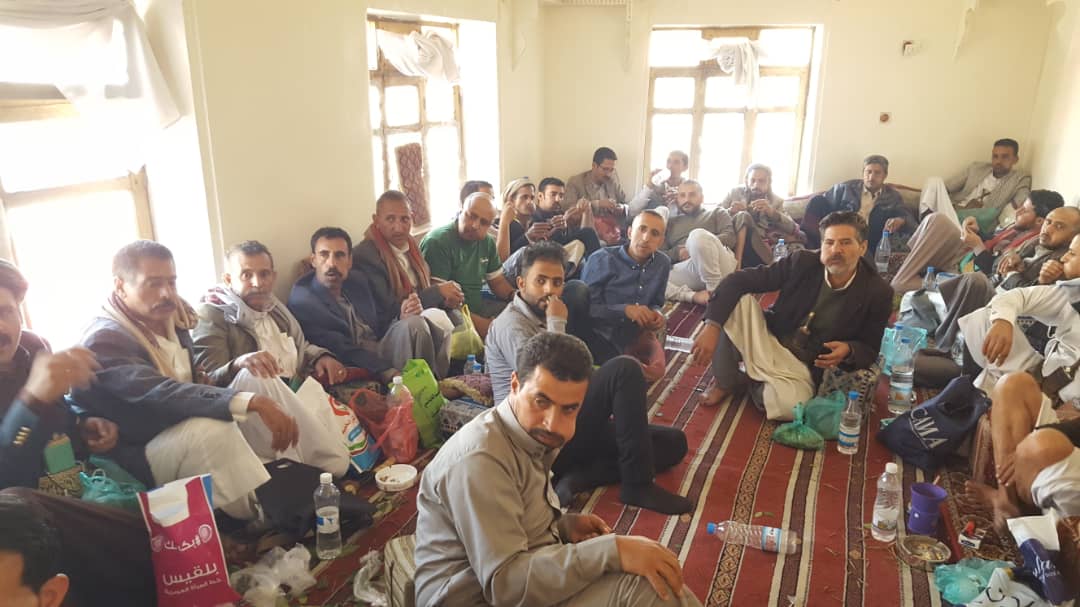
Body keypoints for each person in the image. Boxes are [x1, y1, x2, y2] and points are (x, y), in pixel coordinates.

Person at [414, 332, 703, 606]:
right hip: (476, 596)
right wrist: (612, 551)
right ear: (515, 385)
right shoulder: (481, 461)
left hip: (514, 574)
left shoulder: (526, 434)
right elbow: (505, 586)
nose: (553, 423)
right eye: (541, 401)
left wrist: (561, 526)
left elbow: (517, 516)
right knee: (643, 591)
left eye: (569, 409)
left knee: (651, 576)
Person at [71, 241, 315, 521]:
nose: (167, 294)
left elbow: (197, 383)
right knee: (209, 428)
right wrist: (253, 403)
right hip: (139, 453)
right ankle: (260, 514)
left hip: (177, 431)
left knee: (256, 376)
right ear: (120, 286)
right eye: (153, 284)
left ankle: (321, 469)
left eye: (171, 282)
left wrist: (235, 369)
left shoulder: (173, 319)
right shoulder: (105, 338)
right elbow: (161, 392)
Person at [484, 243, 691, 514]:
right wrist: (557, 324)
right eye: (540, 281)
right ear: (521, 283)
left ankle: (581, 477)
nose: (549, 290)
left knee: (673, 444)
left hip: (566, 425)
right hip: (537, 439)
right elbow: (548, 382)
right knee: (624, 370)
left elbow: (577, 372)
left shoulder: (545, 313)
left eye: (557, 282)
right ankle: (637, 485)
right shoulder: (512, 324)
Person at [0, 260, 156, 605]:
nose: (0, 326)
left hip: (77, 483)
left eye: (5, 312)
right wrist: (30, 402)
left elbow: (62, 408)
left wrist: (83, 423)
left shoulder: (34, 349)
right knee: (18, 499)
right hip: (22, 519)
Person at [691, 211, 892, 420]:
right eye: (829, 242)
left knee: (790, 408)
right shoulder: (803, 262)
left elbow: (870, 348)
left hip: (805, 366)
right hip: (772, 339)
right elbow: (737, 281)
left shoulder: (878, 292)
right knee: (736, 300)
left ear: (862, 247)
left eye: (845, 243)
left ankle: (751, 381)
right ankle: (726, 382)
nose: (836, 250)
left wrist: (849, 349)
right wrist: (712, 326)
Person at [955, 235, 1080, 528]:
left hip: (1071, 420)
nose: (1063, 257)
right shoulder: (1072, 295)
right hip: (1053, 393)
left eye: (1073, 254)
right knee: (1011, 384)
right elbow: (1013, 297)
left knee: (1041, 445)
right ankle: (1006, 498)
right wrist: (1003, 322)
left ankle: (1046, 524)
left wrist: (1039, 438)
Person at [290, 227, 453, 378]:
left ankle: (434, 383)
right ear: (313, 260)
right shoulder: (305, 300)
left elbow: (383, 316)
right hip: (357, 357)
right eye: (324, 255)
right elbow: (342, 349)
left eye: (339, 255)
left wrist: (401, 314)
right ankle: (424, 388)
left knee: (422, 321)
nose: (331, 263)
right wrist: (388, 372)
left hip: (380, 343)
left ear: (350, 261)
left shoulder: (357, 280)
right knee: (415, 325)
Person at [193, 240, 349, 386]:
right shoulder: (211, 315)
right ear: (228, 280)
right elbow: (207, 383)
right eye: (246, 275)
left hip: (296, 390)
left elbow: (299, 347)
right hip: (249, 402)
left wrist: (321, 357)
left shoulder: (274, 308)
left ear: (273, 277)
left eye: (264, 274)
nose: (257, 283)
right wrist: (238, 365)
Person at [932, 205, 1080, 351]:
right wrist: (1010, 256)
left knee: (975, 281)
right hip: (997, 290)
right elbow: (996, 266)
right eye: (1048, 222)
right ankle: (947, 334)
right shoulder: (1036, 241)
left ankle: (945, 344)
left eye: (1059, 226)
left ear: (1074, 237)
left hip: (1011, 311)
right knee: (954, 283)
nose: (1048, 228)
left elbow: (1030, 300)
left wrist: (1013, 275)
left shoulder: (1065, 263)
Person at [352, 190, 464, 376]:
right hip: (387, 330)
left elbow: (422, 287)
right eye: (390, 219)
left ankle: (442, 379)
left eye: (404, 219)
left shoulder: (411, 247)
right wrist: (436, 293)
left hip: (414, 314)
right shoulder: (366, 255)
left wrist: (447, 298)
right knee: (415, 325)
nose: (398, 227)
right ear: (376, 220)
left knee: (453, 315)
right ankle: (425, 384)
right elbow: (387, 309)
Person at [890, 190, 1064, 294]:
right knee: (937, 219)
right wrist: (978, 231)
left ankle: (904, 281)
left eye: (1024, 210)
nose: (1017, 212)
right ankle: (909, 267)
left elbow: (994, 272)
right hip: (968, 256)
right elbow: (994, 242)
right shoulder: (1020, 228)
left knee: (938, 221)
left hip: (972, 273)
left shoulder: (1034, 244)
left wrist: (977, 245)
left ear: (1040, 221)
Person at [420, 191, 516, 338]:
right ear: (460, 210)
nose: (475, 225)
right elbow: (440, 302)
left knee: (520, 317)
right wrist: (486, 326)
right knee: (504, 333)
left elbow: (497, 283)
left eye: (484, 222)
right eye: (471, 216)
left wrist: (518, 297)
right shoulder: (437, 242)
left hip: (479, 307)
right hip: (449, 314)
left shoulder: (487, 242)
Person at [581, 210, 669, 365]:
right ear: (629, 233)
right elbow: (586, 309)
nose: (646, 238)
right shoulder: (602, 259)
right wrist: (625, 310)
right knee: (625, 370)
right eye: (642, 229)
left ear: (661, 241)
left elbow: (656, 302)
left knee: (655, 365)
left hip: (637, 333)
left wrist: (656, 313)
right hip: (602, 334)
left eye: (654, 234)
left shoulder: (662, 263)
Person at [801, 154, 914, 254]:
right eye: (868, 172)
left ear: (885, 175)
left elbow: (909, 219)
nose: (871, 177)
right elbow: (821, 204)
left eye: (877, 173)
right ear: (863, 173)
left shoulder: (892, 196)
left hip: (870, 239)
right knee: (816, 200)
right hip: (842, 230)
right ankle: (809, 246)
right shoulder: (845, 189)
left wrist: (901, 220)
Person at [918, 138, 1032, 232]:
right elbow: (947, 187)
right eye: (995, 156)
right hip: (953, 210)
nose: (998, 161)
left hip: (978, 219)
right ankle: (925, 223)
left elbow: (1021, 200)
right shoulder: (977, 168)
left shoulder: (1020, 178)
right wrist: (949, 205)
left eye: (1005, 157)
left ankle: (928, 226)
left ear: (1015, 159)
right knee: (934, 181)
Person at [661, 180, 737, 306]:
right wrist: (676, 253)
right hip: (688, 269)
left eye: (692, 195)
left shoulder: (717, 212)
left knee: (697, 235)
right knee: (649, 278)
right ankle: (694, 296)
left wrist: (694, 247)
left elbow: (730, 237)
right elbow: (660, 255)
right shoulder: (669, 223)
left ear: (702, 198)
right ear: (677, 199)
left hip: (718, 264)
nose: (687, 199)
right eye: (682, 195)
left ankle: (715, 293)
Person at [719, 163, 802, 268]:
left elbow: (792, 228)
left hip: (759, 247)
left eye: (761, 181)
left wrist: (772, 212)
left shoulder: (776, 201)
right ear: (746, 181)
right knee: (743, 216)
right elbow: (715, 216)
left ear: (769, 183)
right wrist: (730, 211)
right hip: (733, 239)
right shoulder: (734, 193)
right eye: (752, 180)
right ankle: (738, 266)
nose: (756, 185)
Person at [532, 176, 602, 255]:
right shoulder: (534, 215)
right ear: (540, 196)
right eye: (553, 194)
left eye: (561, 195)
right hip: (548, 253)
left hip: (568, 250)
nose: (558, 199)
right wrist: (563, 222)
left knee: (589, 234)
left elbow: (586, 235)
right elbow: (543, 244)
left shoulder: (560, 212)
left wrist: (585, 211)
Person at [628, 150, 689, 217]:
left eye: (676, 162)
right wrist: (649, 186)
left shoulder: (689, 189)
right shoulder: (655, 186)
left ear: (685, 167)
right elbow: (631, 211)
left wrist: (680, 200)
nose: (670, 166)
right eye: (668, 161)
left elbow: (693, 215)